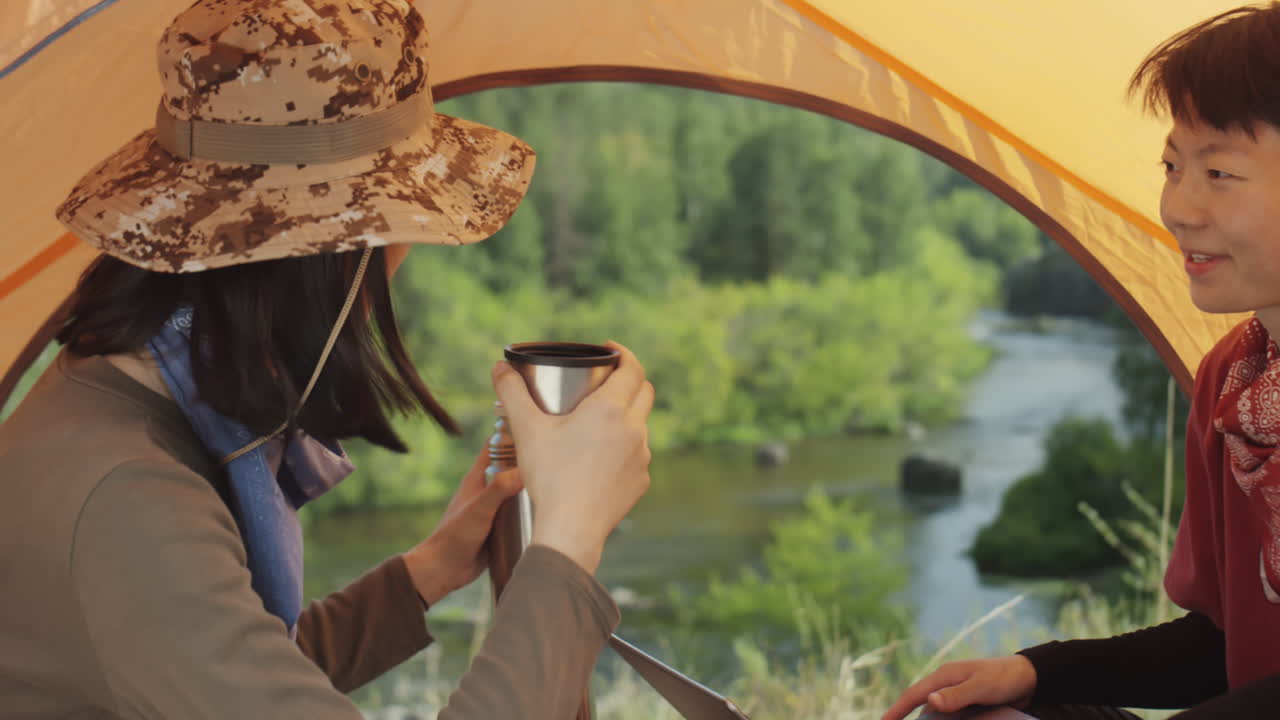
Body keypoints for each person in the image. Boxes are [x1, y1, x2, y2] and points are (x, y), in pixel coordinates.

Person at [0, 0, 654, 717]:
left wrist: (424, 574)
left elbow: (225, 677)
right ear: (337, 255)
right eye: (407, 224)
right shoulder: (127, 500)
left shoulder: (106, 398)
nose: (403, 261)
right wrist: (567, 544)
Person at [883, 4, 1280, 720]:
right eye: (1171, 166)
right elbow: (1222, 646)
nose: (1177, 207)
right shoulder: (1235, 382)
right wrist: (1035, 674)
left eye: (1218, 172)